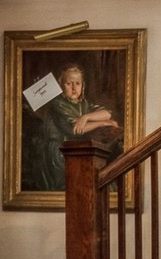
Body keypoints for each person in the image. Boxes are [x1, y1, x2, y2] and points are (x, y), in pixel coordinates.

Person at [24, 64, 121, 192]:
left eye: (78, 83)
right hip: (59, 154)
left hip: (76, 151)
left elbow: (107, 113)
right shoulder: (57, 103)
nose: (74, 88)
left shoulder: (84, 104)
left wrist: (85, 117)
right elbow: (75, 130)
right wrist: (102, 123)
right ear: (61, 85)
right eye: (69, 83)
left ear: (83, 86)